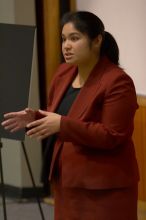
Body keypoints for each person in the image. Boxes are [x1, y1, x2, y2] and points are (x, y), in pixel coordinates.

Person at [1, 11, 139, 220]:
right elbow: (61, 116)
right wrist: (36, 117)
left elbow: (112, 135)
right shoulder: (63, 73)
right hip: (67, 181)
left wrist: (61, 125)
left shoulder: (117, 81)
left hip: (104, 188)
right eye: (64, 39)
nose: (66, 46)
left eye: (75, 39)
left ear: (97, 40)